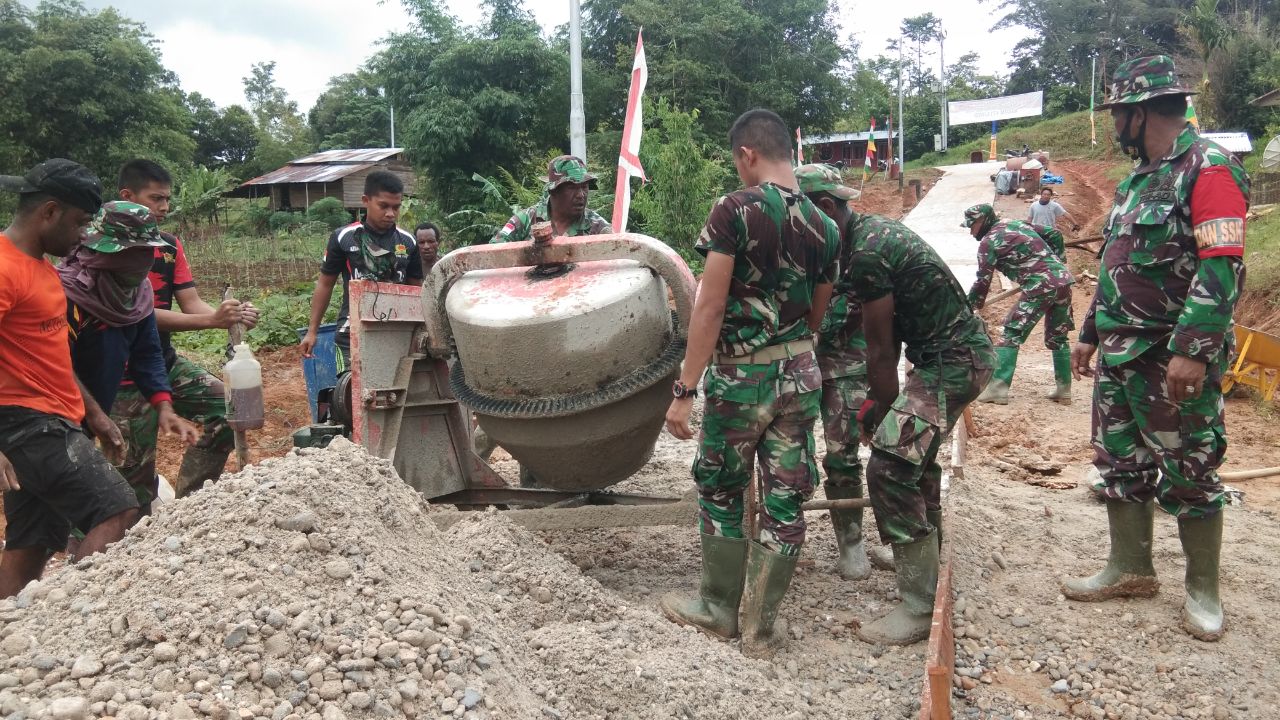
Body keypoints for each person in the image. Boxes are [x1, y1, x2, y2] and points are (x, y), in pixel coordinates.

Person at [1062, 55, 1249, 642]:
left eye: (1118, 113)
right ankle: (1131, 568)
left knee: (1191, 467)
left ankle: (1203, 590)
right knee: (1120, 464)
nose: (1115, 124)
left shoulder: (1210, 169)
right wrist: (1090, 332)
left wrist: (1193, 350)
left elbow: (1223, 267)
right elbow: (1115, 264)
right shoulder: (1141, 178)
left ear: (1140, 113)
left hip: (1170, 360)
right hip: (1120, 356)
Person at [661, 109, 840, 658]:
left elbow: (709, 305)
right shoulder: (827, 225)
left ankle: (718, 610)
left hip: (743, 376)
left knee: (720, 485)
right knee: (786, 497)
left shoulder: (734, 210)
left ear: (747, 154)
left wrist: (684, 391)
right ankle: (762, 627)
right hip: (800, 371)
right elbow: (818, 312)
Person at [801, 167, 993, 646]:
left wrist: (873, 407)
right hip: (949, 359)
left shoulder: (867, 251)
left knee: (888, 465)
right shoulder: (864, 237)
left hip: (953, 363)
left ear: (824, 210)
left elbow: (882, 352)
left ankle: (918, 606)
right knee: (917, 459)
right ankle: (928, 565)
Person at [0, 159, 139, 596]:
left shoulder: (40, 268)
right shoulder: (4, 269)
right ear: (49, 212)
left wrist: (95, 415)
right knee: (117, 511)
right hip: (27, 424)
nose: (83, 235)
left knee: (33, 543)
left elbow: (51, 353)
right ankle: (77, 619)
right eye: (80, 223)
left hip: (51, 418)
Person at [109, 160, 258, 499]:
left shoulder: (169, 246)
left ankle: (189, 504)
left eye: (166, 199)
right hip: (121, 375)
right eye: (155, 198)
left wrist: (229, 315)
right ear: (127, 196)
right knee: (132, 472)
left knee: (228, 408)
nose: (163, 207)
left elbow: (191, 303)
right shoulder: (108, 251)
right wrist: (212, 320)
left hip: (163, 361)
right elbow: (139, 314)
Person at [793, 163, 896, 579]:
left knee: (844, 453)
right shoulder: (799, 243)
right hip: (797, 364)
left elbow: (853, 312)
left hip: (844, 366)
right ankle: (786, 536)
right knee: (790, 458)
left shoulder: (860, 247)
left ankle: (852, 543)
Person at [301, 171, 422, 370]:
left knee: (393, 396)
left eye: (396, 207)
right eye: (383, 206)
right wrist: (312, 331)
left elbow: (417, 290)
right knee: (352, 396)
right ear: (366, 200)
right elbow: (325, 284)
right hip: (351, 335)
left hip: (397, 335)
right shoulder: (344, 237)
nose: (390, 213)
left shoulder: (408, 241)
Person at [963, 204, 1075, 405]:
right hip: (1063, 281)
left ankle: (997, 390)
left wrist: (972, 304)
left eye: (972, 226)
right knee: (1058, 336)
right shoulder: (1017, 224)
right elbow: (1054, 234)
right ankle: (1063, 390)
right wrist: (1057, 263)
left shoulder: (989, 243)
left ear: (982, 221)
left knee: (1011, 332)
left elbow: (983, 280)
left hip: (1039, 286)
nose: (971, 232)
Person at [490, 156, 612, 243]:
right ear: (553, 191)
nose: (581, 195)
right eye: (571, 187)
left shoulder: (596, 225)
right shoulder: (526, 219)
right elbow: (494, 250)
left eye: (584, 187)